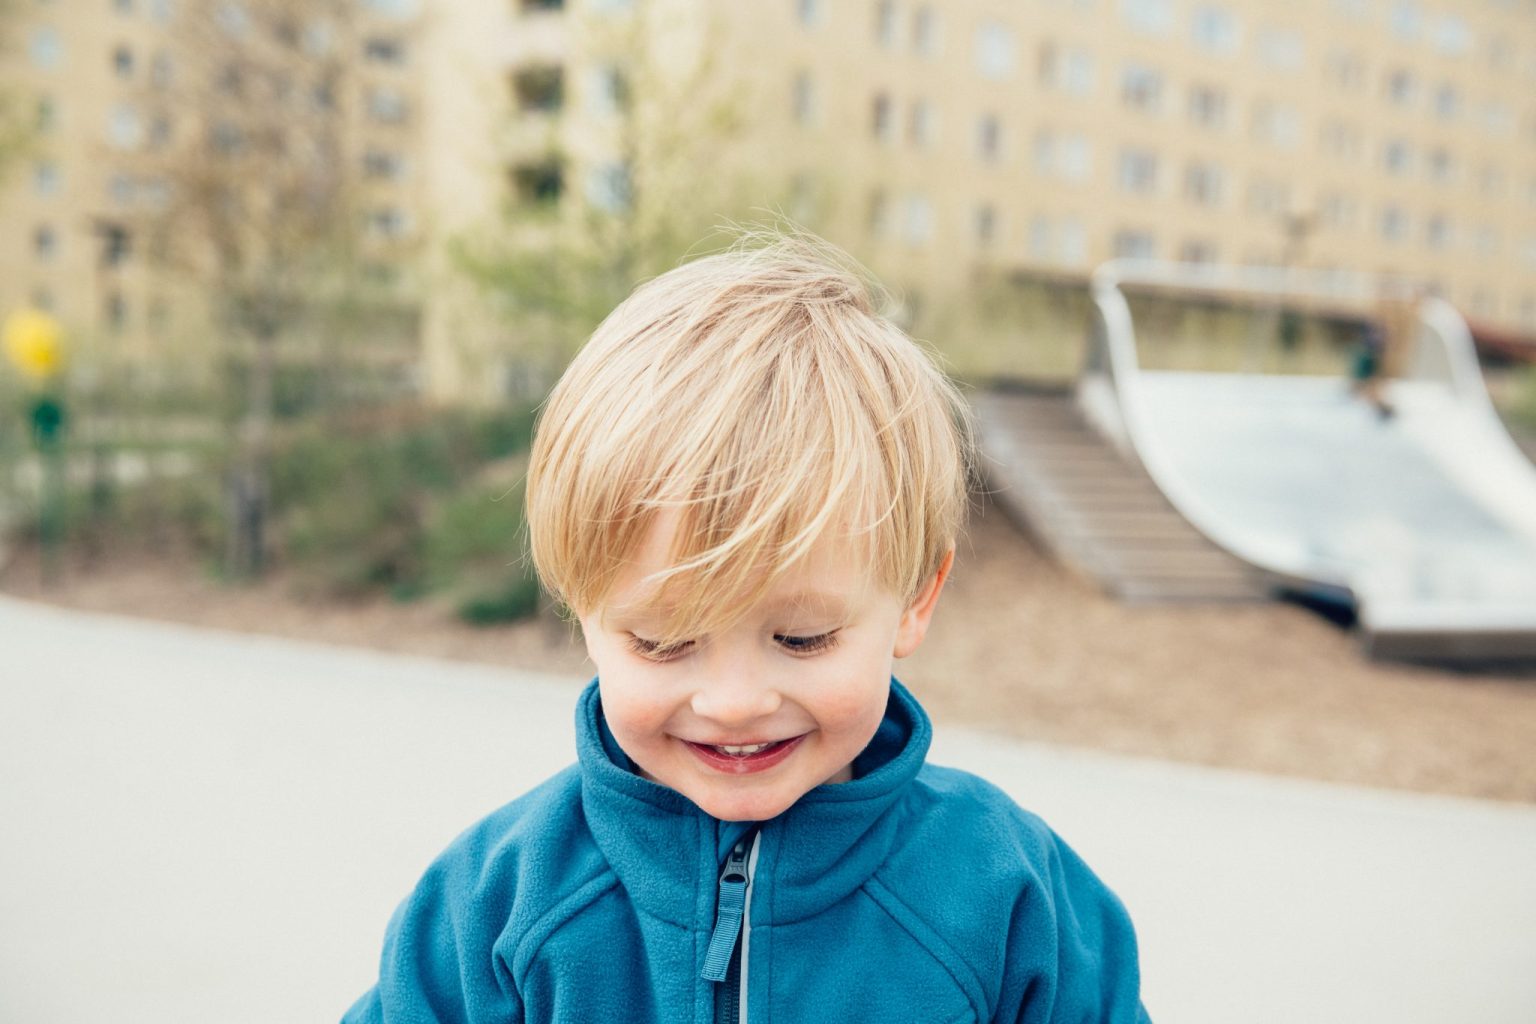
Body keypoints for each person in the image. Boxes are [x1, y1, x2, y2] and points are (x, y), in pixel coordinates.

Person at [343, 233, 1150, 1023]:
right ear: (578, 608)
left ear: (914, 597)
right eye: (663, 643)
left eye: (801, 640)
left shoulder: (1008, 900)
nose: (732, 703)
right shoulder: (496, 909)